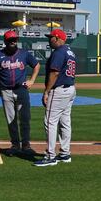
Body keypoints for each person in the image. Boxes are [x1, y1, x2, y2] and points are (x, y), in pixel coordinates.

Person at [0, 30, 41, 156]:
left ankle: (26, 145)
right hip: (5, 91)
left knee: (25, 118)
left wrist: (32, 80)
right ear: (5, 41)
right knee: (11, 119)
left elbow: (36, 65)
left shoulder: (24, 54)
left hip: (21, 90)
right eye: (10, 40)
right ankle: (15, 145)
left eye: (14, 39)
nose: (13, 41)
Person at [34, 29, 77, 167]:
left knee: (50, 122)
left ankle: (50, 156)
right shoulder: (70, 52)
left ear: (57, 38)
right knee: (65, 122)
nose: (49, 40)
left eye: (51, 37)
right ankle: (65, 153)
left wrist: (46, 91)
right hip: (70, 89)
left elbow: (55, 73)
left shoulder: (59, 52)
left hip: (58, 91)